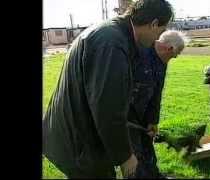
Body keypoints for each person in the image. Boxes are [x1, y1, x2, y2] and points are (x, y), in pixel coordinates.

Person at [42, 0, 174, 178]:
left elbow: (119, 97)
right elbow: (107, 107)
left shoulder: (115, 34)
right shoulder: (111, 43)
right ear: (153, 24)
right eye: (161, 31)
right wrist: (125, 156)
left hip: (76, 134)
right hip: (77, 141)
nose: (158, 38)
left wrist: (149, 120)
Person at [128, 30, 188, 178]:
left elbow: (156, 94)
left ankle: (154, 176)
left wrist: (153, 121)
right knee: (135, 155)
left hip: (144, 114)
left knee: (148, 147)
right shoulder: (139, 55)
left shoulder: (162, 62)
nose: (176, 56)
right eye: (176, 53)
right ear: (170, 49)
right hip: (128, 116)